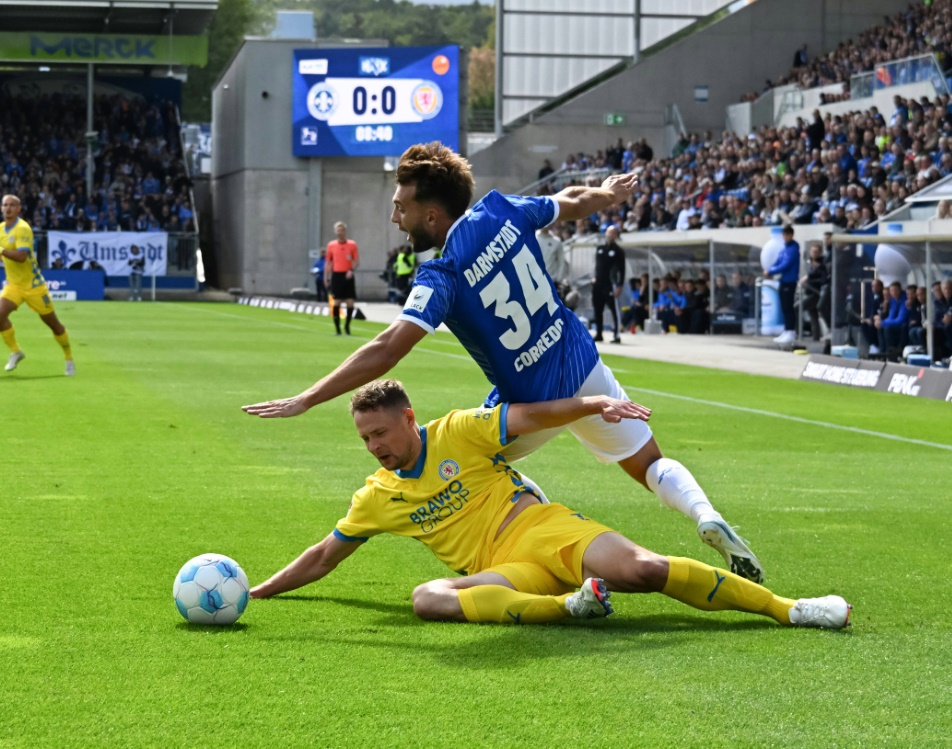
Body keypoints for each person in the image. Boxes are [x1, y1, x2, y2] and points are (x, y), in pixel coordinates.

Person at [243, 142, 765, 584]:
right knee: (650, 465)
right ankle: (705, 513)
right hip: (582, 365)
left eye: (401, 206)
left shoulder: (441, 275)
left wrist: (308, 398)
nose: (394, 216)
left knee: (466, 459)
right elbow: (570, 199)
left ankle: (539, 534)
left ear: (431, 214)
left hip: (529, 401)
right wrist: (609, 193)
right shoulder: (501, 211)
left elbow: (387, 349)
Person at [249, 380, 851, 630]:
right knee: (426, 598)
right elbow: (324, 556)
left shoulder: (458, 431)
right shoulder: (376, 497)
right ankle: (569, 608)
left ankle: (792, 609)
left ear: (408, 418)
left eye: (380, 433)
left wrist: (590, 405)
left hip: (542, 527)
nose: (375, 447)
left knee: (644, 570)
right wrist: (257, 593)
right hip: (506, 570)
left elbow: (529, 417)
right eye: (365, 440)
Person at [0, 194, 75, 376]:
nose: (8, 208)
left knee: (53, 324)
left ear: (19, 209)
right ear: (1, 208)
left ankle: (68, 358)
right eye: (5, 205)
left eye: (12, 205)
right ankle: (16, 352)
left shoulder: (23, 228)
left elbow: (21, 256)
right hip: (14, 286)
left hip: (34, 286)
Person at [765, 225, 800, 345]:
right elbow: (778, 261)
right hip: (783, 281)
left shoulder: (793, 249)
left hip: (790, 281)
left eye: (787, 235)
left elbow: (786, 264)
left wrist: (771, 271)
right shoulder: (784, 249)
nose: (785, 237)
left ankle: (791, 331)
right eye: (783, 235)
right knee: (784, 307)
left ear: (791, 235)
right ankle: (787, 330)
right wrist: (770, 269)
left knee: (788, 307)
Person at [324, 221, 359, 335]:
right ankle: (337, 329)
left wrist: (351, 270)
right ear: (335, 232)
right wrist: (326, 277)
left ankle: (347, 327)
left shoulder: (352, 244)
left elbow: (356, 261)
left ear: (345, 231)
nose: (340, 232)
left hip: (347, 275)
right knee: (337, 302)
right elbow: (328, 262)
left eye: (342, 230)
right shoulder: (331, 245)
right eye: (338, 230)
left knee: (350, 302)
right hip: (337, 275)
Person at [592, 225, 625, 343]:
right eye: (609, 232)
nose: (610, 235)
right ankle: (599, 333)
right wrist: (594, 277)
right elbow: (597, 266)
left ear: (616, 236)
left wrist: (620, 285)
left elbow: (622, 269)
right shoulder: (600, 248)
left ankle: (617, 334)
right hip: (598, 284)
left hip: (610, 284)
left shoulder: (618, 251)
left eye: (613, 233)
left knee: (614, 310)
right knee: (598, 309)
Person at [535, 223, 565, 290]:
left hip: (552, 280)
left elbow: (561, 261)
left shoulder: (557, 241)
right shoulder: (534, 239)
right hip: (537, 280)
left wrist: (559, 278)